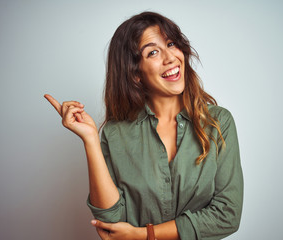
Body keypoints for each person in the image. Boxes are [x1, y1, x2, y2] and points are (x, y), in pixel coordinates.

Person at [45, 11, 243, 240]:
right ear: (135, 73)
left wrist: (145, 234)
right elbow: (110, 223)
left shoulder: (218, 123)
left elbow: (227, 215)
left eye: (171, 44)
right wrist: (90, 139)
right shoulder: (115, 133)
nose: (170, 58)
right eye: (153, 52)